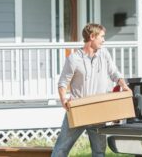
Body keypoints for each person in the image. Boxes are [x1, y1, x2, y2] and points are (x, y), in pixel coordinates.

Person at [51, 23, 131, 157]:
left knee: (99, 152)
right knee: (61, 150)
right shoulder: (74, 59)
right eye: (102, 37)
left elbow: (114, 73)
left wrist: (124, 85)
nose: (104, 40)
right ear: (92, 37)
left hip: (98, 110)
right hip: (78, 110)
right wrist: (63, 99)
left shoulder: (104, 54)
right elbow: (63, 83)